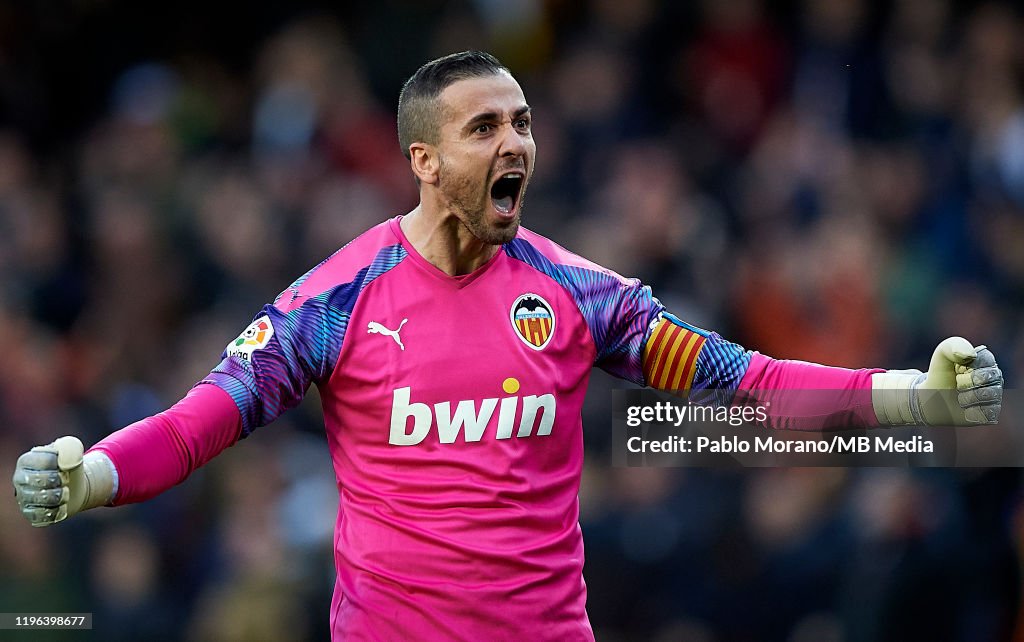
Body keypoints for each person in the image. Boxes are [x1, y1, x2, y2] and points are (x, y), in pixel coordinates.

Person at [12, 51, 1003, 640]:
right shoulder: (332, 302)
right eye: (485, 127)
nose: (515, 145)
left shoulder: (578, 297)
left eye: (522, 124)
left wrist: (912, 396)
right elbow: (202, 422)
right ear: (424, 159)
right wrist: (94, 473)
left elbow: (739, 382)